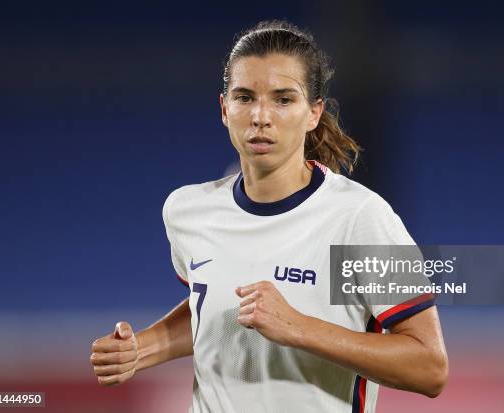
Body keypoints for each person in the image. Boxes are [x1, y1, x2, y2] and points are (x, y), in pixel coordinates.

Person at [90, 20, 448, 413]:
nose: (261, 116)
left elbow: (429, 367)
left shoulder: (360, 218)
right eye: (245, 97)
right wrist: (143, 348)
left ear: (313, 113)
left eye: (283, 99)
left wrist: (298, 327)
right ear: (225, 109)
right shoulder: (188, 210)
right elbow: (211, 307)